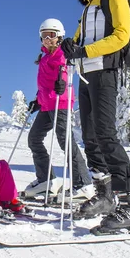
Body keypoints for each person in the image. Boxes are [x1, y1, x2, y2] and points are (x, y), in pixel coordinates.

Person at [60, 0, 130, 230]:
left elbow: (121, 35)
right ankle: (105, 194)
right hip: (85, 74)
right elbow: (79, 38)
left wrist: (84, 51)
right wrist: (70, 47)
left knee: (106, 135)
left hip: (105, 72)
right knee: (90, 137)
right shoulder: (89, 5)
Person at [23, 18, 94, 202]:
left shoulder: (62, 54)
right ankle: (46, 181)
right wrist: (38, 101)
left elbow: (65, 70)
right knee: (34, 139)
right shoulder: (45, 57)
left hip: (60, 103)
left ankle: (83, 184)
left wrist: (62, 83)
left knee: (65, 142)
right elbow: (45, 84)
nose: (47, 39)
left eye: (51, 35)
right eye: (44, 35)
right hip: (47, 104)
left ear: (59, 36)